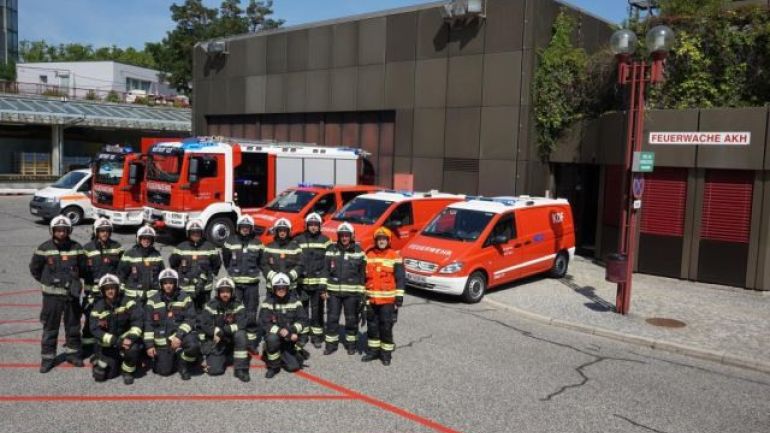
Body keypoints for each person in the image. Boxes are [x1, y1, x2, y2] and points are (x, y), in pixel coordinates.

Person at [29, 215, 87, 373]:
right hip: (51, 298)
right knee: (50, 328)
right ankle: (48, 359)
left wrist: (76, 282)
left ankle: (73, 355)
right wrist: (47, 281)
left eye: (64, 230)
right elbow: (35, 269)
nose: (61, 233)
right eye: (58, 230)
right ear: (52, 231)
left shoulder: (77, 248)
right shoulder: (44, 248)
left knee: (73, 327)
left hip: (71, 297)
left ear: (69, 230)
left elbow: (84, 268)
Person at [144, 268, 201, 380]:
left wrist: (179, 336)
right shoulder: (152, 300)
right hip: (163, 341)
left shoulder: (185, 297)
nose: (168, 286)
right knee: (164, 371)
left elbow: (191, 319)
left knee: (193, 345)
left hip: (180, 336)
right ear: (161, 284)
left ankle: (183, 364)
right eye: (165, 283)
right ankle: (174, 356)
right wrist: (149, 346)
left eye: (171, 282)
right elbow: (148, 324)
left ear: (176, 283)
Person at [89, 274, 143, 384]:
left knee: (134, 349)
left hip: (126, 341)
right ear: (102, 291)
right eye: (107, 289)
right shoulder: (98, 307)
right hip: (109, 345)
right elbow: (94, 329)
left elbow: (137, 321)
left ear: (117, 288)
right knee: (103, 376)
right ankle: (101, 360)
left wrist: (130, 338)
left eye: (112, 288)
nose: (110, 291)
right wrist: (116, 341)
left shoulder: (127, 302)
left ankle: (127, 371)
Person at [362, 227, 405, 366]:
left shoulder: (395, 256)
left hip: (387, 300)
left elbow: (400, 278)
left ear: (388, 240)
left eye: (384, 239)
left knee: (386, 327)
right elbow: (362, 277)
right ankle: (374, 351)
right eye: (379, 239)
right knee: (372, 326)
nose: (381, 241)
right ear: (376, 240)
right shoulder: (368, 255)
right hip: (371, 299)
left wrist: (399, 297)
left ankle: (386, 354)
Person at [322, 222, 366, 356]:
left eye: (347, 235)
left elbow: (362, 275)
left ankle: (351, 344)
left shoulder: (359, 251)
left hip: (352, 294)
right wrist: (323, 289)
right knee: (332, 318)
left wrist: (361, 294)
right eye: (342, 235)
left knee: (351, 319)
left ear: (351, 236)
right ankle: (331, 345)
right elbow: (325, 271)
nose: (344, 238)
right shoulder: (331, 249)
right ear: (338, 236)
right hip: (333, 292)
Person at [81, 218, 124, 355]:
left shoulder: (117, 247)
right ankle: (87, 348)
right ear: (96, 232)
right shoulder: (87, 248)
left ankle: (106, 348)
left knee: (110, 320)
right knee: (90, 321)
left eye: (107, 231)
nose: (104, 233)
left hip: (111, 292)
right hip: (92, 293)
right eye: (101, 231)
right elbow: (81, 270)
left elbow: (122, 270)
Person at [221, 215, 262, 352]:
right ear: (238, 228)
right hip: (235, 285)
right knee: (233, 313)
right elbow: (226, 259)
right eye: (243, 227)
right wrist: (232, 272)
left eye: (247, 227)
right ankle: (233, 340)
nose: (245, 230)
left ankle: (251, 343)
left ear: (251, 228)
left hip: (252, 284)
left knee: (251, 313)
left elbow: (261, 261)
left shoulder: (257, 242)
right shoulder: (230, 241)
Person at [199, 277, 251, 382]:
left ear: (232, 292)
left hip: (231, 339)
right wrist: (215, 330)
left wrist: (224, 330)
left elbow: (243, 322)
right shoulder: (210, 305)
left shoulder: (238, 304)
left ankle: (240, 370)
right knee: (215, 371)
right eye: (222, 291)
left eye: (228, 291)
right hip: (217, 341)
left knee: (241, 334)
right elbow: (204, 324)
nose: (225, 294)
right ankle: (225, 357)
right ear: (218, 292)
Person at [258, 273, 308, 379]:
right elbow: (263, 323)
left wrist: (293, 330)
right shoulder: (268, 303)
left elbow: (303, 321)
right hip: (275, 337)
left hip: (289, 339)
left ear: (288, 288)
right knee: (272, 339)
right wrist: (280, 331)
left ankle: (284, 354)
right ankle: (273, 366)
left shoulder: (295, 302)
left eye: (283, 287)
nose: (281, 290)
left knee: (293, 367)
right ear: (273, 288)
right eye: (278, 287)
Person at [294, 212, 331, 349]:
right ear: (307, 225)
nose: (314, 227)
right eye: (311, 225)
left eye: (316, 225)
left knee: (318, 311)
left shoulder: (325, 241)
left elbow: (329, 264)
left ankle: (317, 337)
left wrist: (324, 284)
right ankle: (303, 336)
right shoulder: (298, 240)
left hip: (318, 284)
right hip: (302, 284)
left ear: (320, 226)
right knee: (302, 311)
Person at [169, 219, 222, 312]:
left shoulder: (210, 247)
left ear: (202, 233)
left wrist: (210, 274)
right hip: (185, 288)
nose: (196, 234)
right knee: (186, 312)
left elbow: (216, 263)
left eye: (198, 232)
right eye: (193, 232)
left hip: (204, 289)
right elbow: (173, 263)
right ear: (188, 233)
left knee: (204, 312)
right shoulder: (180, 247)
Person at [118, 225, 164, 305]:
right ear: (138, 239)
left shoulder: (156, 255)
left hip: (152, 298)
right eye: (144, 238)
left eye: (149, 238)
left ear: (153, 240)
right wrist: (120, 293)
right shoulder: (129, 254)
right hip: (132, 298)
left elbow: (161, 276)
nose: (146, 241)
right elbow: (121, 275)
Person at [260, 218, 303, 293]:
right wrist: (273, 276)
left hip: (291, 287)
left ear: (289, 232)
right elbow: (264, 265)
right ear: (276, 232)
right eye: (280, 230)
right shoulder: (269, 247)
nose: (282, 233)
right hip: (272, 286)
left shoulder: (296, 248)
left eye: (284, 230)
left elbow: (300, 265)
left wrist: (290, 276)